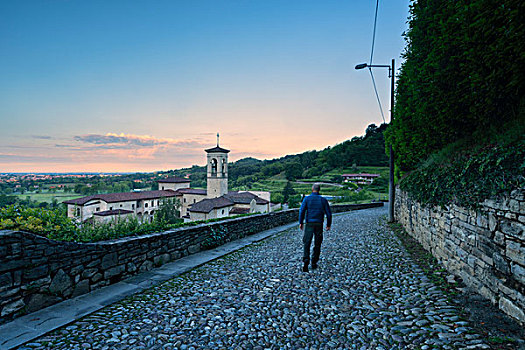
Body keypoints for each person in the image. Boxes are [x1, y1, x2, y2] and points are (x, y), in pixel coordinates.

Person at [298, 183, 332, 272]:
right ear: (319, 190)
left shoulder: (307, 199)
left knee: (307, 242)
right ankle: (314, 262)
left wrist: (301, 222)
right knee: (317, 244)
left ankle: (306, 261)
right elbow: (328, 213)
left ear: (312, 189)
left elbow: (301, 211)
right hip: (319, 224)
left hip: (309, 223)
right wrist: (328, 224)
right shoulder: (323, 200)